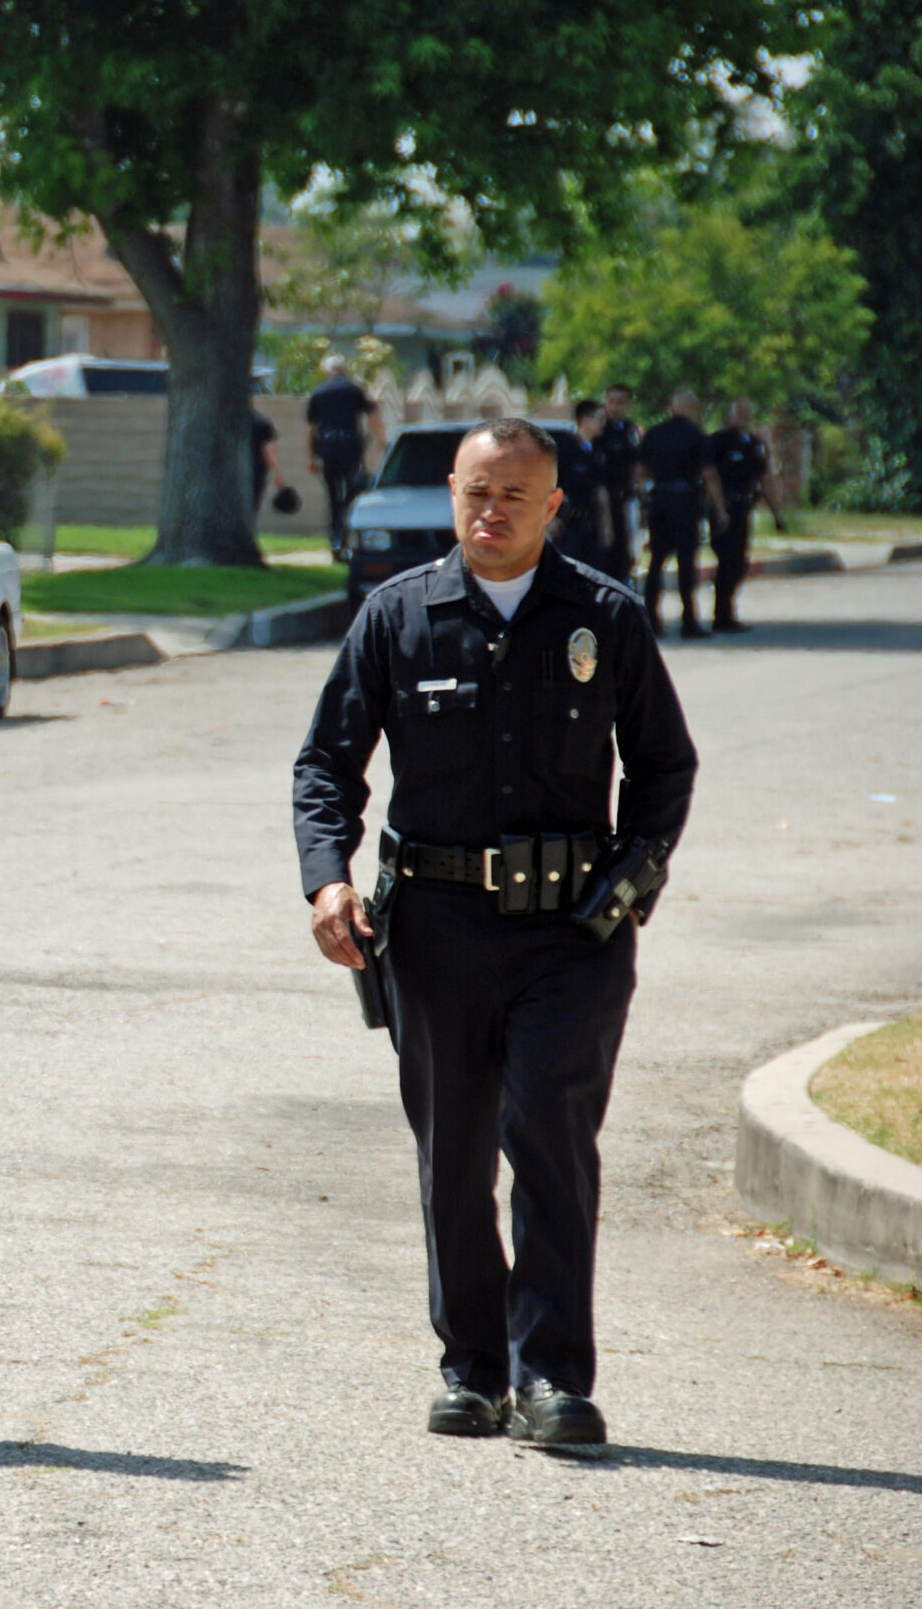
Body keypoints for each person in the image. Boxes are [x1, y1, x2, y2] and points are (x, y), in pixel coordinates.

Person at [293, 417, 697, 1447]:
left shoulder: (601, 616)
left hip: (571, 936)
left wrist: (628, 890)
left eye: (515, 495)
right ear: (451, 493)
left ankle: (552, 1377)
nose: (491, 511)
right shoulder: (396, 617)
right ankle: (471, 1369)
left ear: (552, 504)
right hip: (433, 930)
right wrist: (326, 883)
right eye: (476, 491)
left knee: (551, 1140)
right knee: (454, 1154)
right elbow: (324, 767)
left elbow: (664, 768)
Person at [637, 390, 730, 640]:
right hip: (685, 500)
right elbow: (709, 473)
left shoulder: (654, 433)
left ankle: (651, 619)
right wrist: (720, 508)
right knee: (686, 562)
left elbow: (640, 470)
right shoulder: (696, 435)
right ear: (692, 408)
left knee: (656, 561)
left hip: (659, 499)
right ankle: (689, 621)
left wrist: (644, 502)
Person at [305, 355, 385, 558]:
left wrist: (310, 457)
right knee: (351, 496)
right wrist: (382, 441)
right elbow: (372, 415)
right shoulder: (354, 389)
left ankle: (334, 540)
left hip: (328, 449)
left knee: (333, 496)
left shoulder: (319, 392)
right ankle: (347, 538)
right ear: (344, 369)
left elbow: (310, 428)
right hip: (350, 448)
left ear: (326, 371)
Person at [706, 398, 774, 633]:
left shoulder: (754, 444)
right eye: (739, 412)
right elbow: (709, 475)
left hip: (744, 508)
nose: (743, 416)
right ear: (730, 415)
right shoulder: (719, 441)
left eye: (747, 412)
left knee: (739, 562)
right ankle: (721, 615)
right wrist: (719, 508)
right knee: (727, 560)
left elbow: (765, 476)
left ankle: (729, 609)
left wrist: (776, 512)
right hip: (723, 509)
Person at [549, 400, 614, 573]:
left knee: (593, 573)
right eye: (599, 419)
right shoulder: (564, 448)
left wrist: (606, 525)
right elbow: (548, 485)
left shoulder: (597, 451)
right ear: (585, 420)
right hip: (569, 523)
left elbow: (601, 490)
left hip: (591, 522)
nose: (603, 424)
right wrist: (550, 518)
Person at [592, 385, 644, 586]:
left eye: (620, 402)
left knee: (625, 552)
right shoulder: (600, 430)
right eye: (611, 401)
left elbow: (636, 465)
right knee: (605, 552)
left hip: (626, 499)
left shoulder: (630, 430)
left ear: (628, 404)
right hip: (603, 499)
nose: (615, 407)